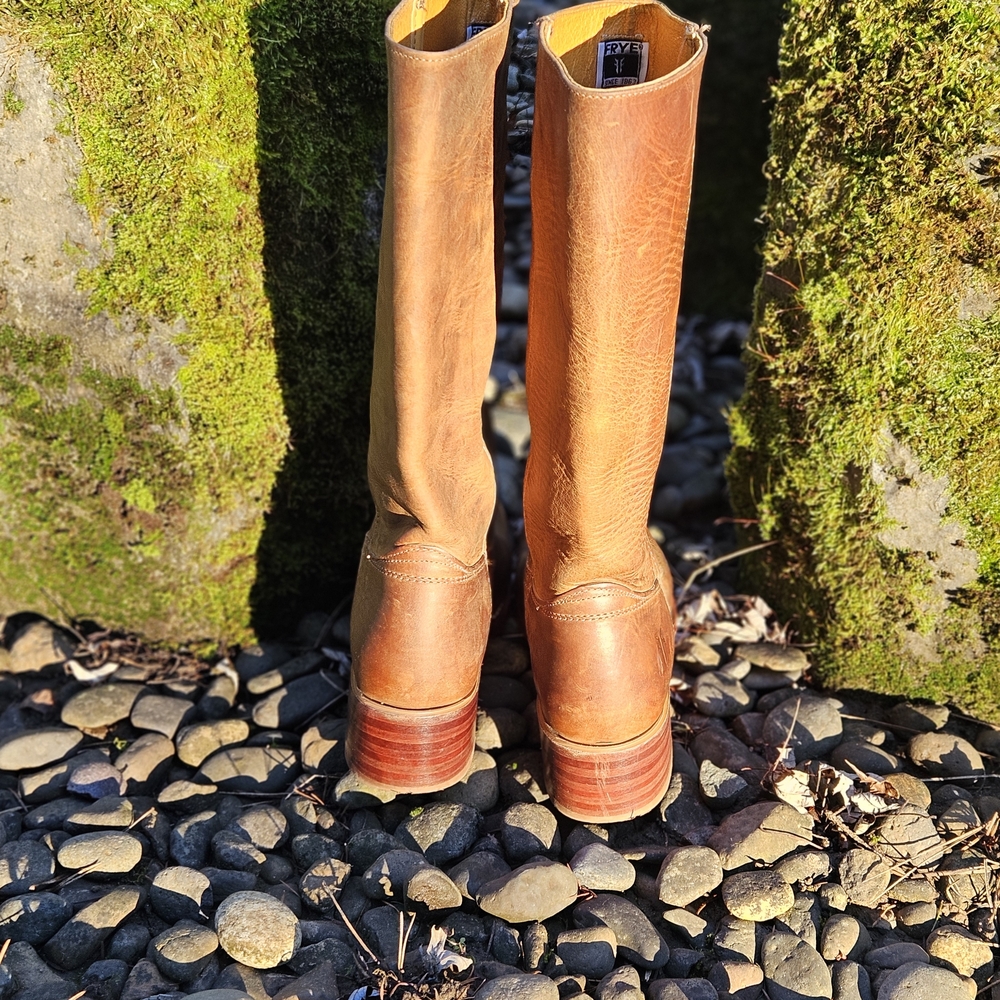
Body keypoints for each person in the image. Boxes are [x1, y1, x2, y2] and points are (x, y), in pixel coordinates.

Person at [345, 0, 706, 823]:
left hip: (411, 611)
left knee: (442, 88)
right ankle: (595, 603)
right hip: (607, 634)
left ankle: (424, 582)